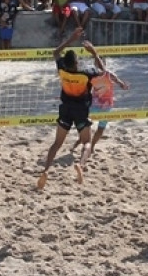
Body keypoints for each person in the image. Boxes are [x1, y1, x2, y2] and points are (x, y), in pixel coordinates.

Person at [38, 28, 105, 191]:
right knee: (87, 143)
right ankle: (80, 166)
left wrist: (70, 40)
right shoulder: (86, 73)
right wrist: (94, 53)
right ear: (76, 63)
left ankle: (46, 170)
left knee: (57, 144)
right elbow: (103, 72)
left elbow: (55, 52)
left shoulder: (62, 69)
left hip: (65, 109)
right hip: (81, 109)